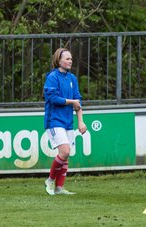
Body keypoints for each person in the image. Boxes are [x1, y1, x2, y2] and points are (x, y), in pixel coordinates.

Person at [43, 47, 87, 195]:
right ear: (58, 60)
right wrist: (72, 101)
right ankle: (49, 181)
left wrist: (81, 122)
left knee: (66, 155)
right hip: (54, 121)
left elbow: (78, 101)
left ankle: (59, 188)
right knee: (65, 151)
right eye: (67, 59)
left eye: (71, 59)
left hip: (68, 122)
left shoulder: (72, 78)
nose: (70, 61)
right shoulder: (52, 77)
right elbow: (53, 98)